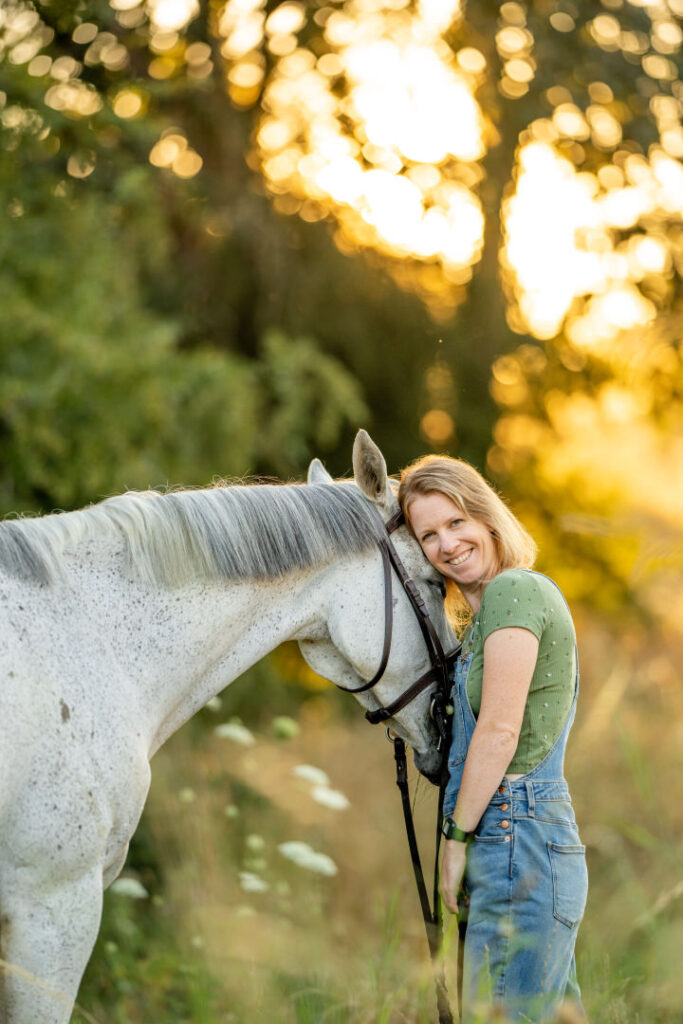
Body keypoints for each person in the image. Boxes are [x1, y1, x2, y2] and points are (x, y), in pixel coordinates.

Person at [398, 454, 588, 1023]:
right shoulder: (485, 619)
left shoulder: (514, 591)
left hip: (516, 835)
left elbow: (500, 730)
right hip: (521, 837)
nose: (447, 544)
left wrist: (455, 839)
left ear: (485, 517)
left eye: (456, 522)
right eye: (428, 534)